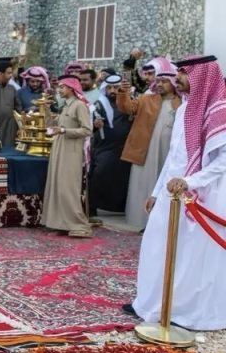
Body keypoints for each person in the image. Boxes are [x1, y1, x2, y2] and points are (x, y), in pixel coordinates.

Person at [130, 55, 226, 330]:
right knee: (157, 246)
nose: (178, 78)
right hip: (172, 192)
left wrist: (191, 181)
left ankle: (187, 311)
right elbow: (173, 157)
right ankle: (152, 304)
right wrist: (156, 191)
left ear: (201, 77)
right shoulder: (184, 108)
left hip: (203, 195)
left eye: (184, 73)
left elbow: (222, 161)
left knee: (192, 255)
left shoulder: (218, 110)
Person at [117, 58, 182, 230]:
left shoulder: (181, 102)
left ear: (173, 82)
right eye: (158, 81)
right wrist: (123, 92)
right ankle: (142, 221)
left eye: (164, 81)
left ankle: (164, 223)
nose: (159, 84)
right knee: (144, 183)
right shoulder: (146, 99)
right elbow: (127, 108)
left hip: (169, 151)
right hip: (145, 149)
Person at [41, 76, 94, 238]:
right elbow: (52, 127)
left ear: (71, 88)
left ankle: (80, 225)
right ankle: (61, 225)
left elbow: (87, 130)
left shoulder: (79, 106)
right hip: (59, 150)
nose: (59, 90)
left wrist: (64, 131)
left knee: (68, 189)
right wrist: (46, 110)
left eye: (62, 87)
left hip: (71, 153)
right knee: (57, 187)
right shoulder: (65, 106)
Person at [89, 75, 132, 216]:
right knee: (100, 173)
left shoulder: (129, 102)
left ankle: (121, 208)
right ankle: (92, 207)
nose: (112, 91)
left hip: (125, 147)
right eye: (109, 88)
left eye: (116, 87)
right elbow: (90, 122)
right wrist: (95, 124)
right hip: (105, 147)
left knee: (122, 178)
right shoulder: (99, 104)